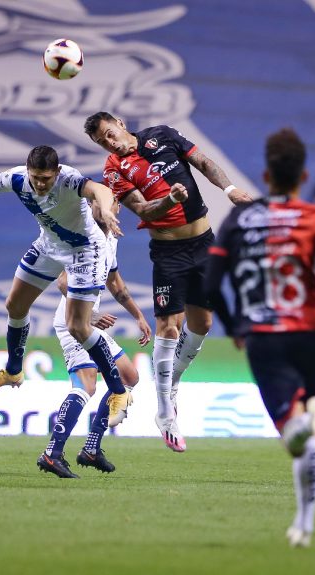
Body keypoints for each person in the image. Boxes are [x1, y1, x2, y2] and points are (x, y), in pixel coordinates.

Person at [203, 128, 315, 549]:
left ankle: (300, 427)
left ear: (266, 175)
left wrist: (235, 326)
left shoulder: (240, 219)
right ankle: (304, 524)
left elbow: (209, 284)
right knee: (308, 424)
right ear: (304, 176)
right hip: (310, 335)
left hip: (263, 336)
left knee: (293, 431)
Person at [0, 145, 131, 476]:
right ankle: (14, 370)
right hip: (49, 246)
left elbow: (99, 190)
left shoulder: (70, 180)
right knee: (14, 305)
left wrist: (105, 206)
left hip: (83, 251)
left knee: (78, 327)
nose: (40, 184)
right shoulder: (17, 179)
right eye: (35, 178)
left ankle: (118, 392)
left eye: (46, 179)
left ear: (57, 173)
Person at [84, 111, 254, 452]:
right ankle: (164, 410)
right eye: (102, 142)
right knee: (168, 327)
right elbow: (144, 210)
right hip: (168, 252)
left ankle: (171, 381)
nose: (110, 143)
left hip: (204, 243)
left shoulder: (162, 135)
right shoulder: (114, 170)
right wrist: (171, 200)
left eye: (109, 133)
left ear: (120, 123)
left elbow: (203, 162)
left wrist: (230, 189)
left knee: (202, 324)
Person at [41, 201, 152, 478]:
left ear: (117, 208)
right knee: (86, 385)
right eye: (96, 202)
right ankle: (52, 453)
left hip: (87, 321)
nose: (102, 206)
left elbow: (116, 283)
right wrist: (90, 316)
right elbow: (63, 282)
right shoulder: (83, 235)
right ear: (90, 206)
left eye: (110, 202)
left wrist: (138, 316)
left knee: (129, 376)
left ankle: (91, 448)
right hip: (73, 321)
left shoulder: (110, 239)